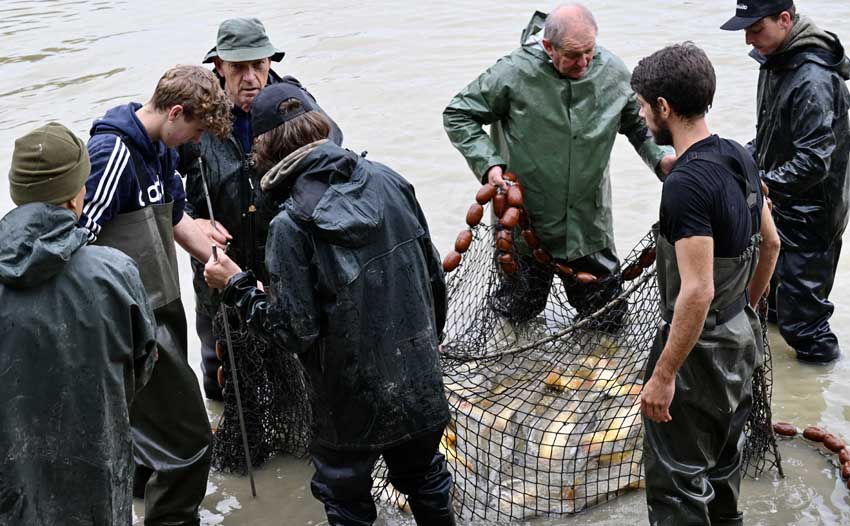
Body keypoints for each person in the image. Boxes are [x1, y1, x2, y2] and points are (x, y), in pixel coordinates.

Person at [203, 83, 456, 526]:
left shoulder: (290, 225)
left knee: (347, 503)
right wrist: (429, 347)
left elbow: (294, 332)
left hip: (346, 405)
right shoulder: (388, 179)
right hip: (419, 381)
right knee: (426, 481)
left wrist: (237, 285)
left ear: (262, 149)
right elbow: (434, 278)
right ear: (322, 128)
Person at [443, 3, 675, 325]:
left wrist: (660, 158)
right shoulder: (512, 73)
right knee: (516, 317)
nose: (583, 63)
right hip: (525, 227)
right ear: (548, 46)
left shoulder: (613, 72)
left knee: (608, 321)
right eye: (572, 55)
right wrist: (489, 165)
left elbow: (638, 126)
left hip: (589, 228)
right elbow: (458, 114)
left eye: (589, 52)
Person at [631, 43, 780, 525]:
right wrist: (745, 314)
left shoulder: (684, 186)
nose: (640, 113)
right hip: (741, 337)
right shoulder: (741, 157)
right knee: (723, 464)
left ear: (664, 108)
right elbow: (772, 245)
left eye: (642, 103)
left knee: (677, 482)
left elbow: (696, 291)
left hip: (698, 352)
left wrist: (665, 374)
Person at [77, 65, 232, 526]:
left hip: (165, 305)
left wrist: (229, 269)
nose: (194, 141)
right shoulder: (112, 154)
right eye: (196, 130)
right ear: (176, 112)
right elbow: (76, 239)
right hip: (130, 319)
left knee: (150, 430)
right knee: (189, 441)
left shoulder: (162, 149)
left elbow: (177, 218)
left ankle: (144, 498)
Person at [0, 123, 156, 525]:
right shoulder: (116, 272)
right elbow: (141, 368)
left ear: (18, 194)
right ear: (75, 196)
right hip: (97, 475)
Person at [179, 17, 343, 400]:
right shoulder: (193, 111)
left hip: (282, 259)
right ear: (218, 65)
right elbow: (159, 183)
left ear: (271, 61)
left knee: (296, 366)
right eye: (238, 67)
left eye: (259, 64)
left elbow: (332, 153)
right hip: (217, 260)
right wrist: (191, 219)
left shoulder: (294, 103)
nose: (251, 77)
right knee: (222, 377)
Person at [721, 0, 850, 363]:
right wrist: (733, 160)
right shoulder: (776, 62)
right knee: (775, 308)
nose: (748, 38)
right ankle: (787, 385)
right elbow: (770, 136)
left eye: (755, 28)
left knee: (805, 327)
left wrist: (756, 183)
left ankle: (821, 389)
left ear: (785, 20)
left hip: (811, 218)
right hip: (779, 205)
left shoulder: (814, 79)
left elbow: (814, 161)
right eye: (744, 28)